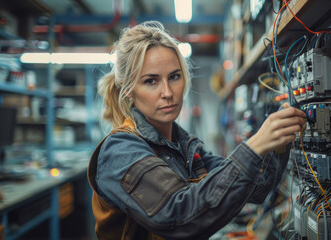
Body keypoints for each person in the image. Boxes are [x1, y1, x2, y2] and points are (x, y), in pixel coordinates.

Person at [88, 21, 306, 240]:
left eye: (174, 77)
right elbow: (178, 218)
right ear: (128, 89)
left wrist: (278, 140)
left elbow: (256, 189)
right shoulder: (119, 151)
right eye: (151, 81)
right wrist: (254, 146)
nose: (167, 92)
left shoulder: (186, 147)